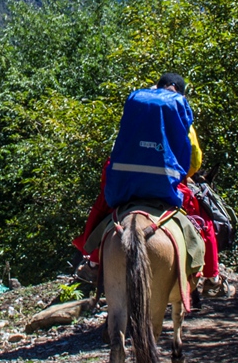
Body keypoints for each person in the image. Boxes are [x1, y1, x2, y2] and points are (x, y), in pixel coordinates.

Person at [74, 74, 220, 289]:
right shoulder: (180, 114)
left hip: (126, 182)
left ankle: (94, 261)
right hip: (165, 186)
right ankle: (210, 275)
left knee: (102, 208)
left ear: (156, 87)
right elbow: (194, 160)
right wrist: (182, 175)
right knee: (203, 219)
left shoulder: (138, 107)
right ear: (181, 93)